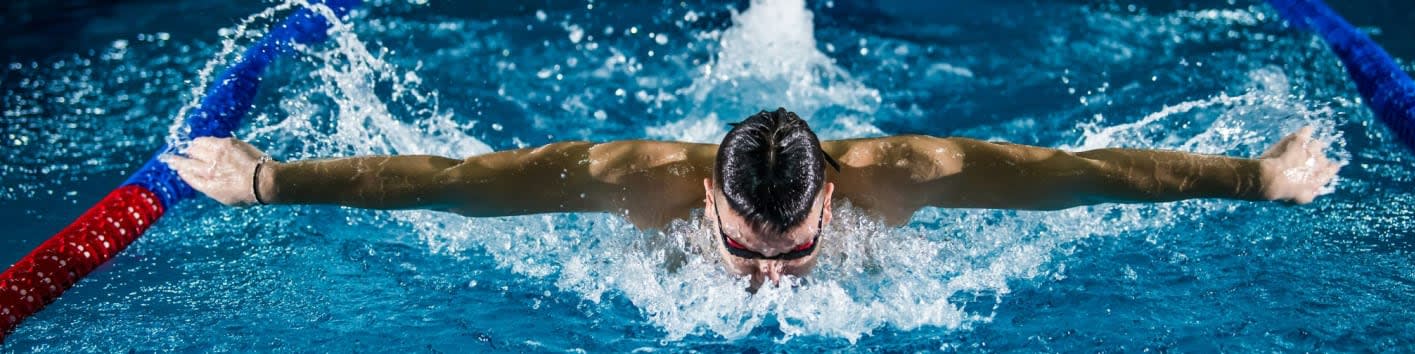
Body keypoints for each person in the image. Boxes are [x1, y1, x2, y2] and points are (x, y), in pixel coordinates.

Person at [161, 108, 1340, 289]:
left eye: (792, 249)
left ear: (835, 190)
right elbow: (458, 186)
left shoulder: (910, 173)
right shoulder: (635, 182)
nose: (766, 277)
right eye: (744, 245)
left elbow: (1087, 176)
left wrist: (1257, 178)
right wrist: (268, 181)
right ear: (706, 200)